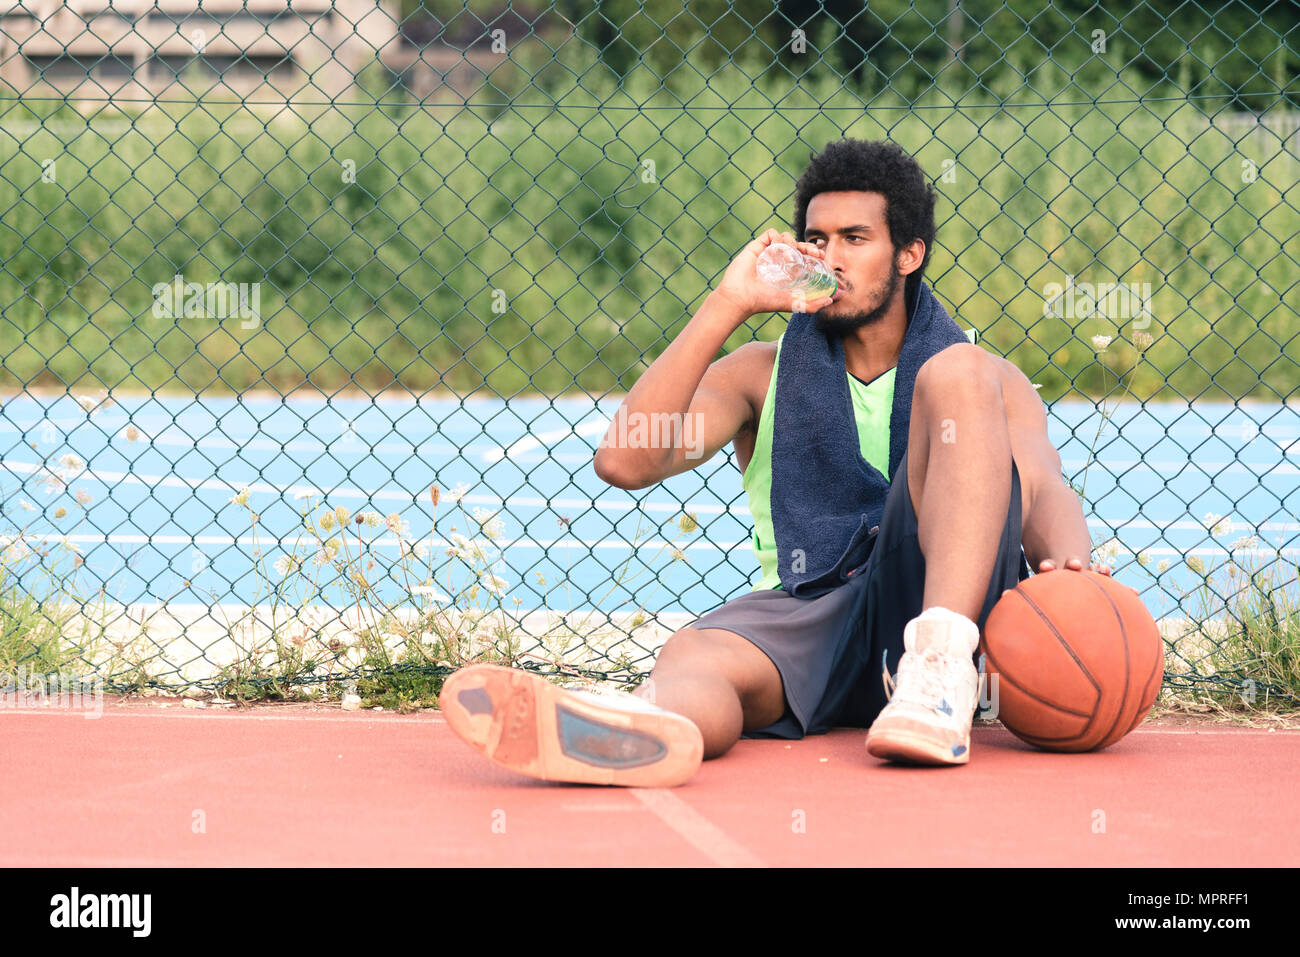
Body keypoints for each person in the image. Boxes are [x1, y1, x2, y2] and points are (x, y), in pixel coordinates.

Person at [441, 139, 1110, 786]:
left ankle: (936, 675)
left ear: (909, 254)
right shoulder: (760, 373)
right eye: (816, 239)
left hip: (939, 606)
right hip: (814, 614)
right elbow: (624, 461)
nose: (831, 257)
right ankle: (636, 730)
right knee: (696, 654)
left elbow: (1041, 486)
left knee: (960, 369)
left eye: (855, 238)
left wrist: (1072, 569)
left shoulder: (983, 380)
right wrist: (727, 304)